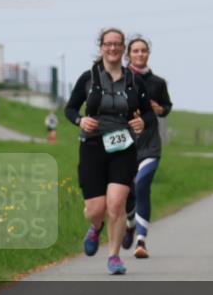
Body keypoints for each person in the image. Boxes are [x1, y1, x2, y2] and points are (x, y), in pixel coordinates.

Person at [64, 28, 152, 275]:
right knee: (96, 209)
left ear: (123, 48)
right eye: (108, 44)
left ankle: (114, 256)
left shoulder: (134, 81)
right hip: (92, 146)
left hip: (123, 146)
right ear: (101, 47)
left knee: (116, 204)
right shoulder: (88, 78)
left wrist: (142, 122)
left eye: (117, 44)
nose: (112, 48)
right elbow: (70, 109)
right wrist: (80, 120)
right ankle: (95, 227)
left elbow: (148, 113)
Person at [120, 35, 173, 259]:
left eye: (144, 50)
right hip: (126, 144)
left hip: (150, 144)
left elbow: (167, 106)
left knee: (142, 184)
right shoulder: (119, 79)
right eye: (136, 51)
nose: (140, 54)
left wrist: (160, 110)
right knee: (128, 191)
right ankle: (130, 224)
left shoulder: (158, 83)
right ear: (128, 55)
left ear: (148, 54)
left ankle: (141, 240)